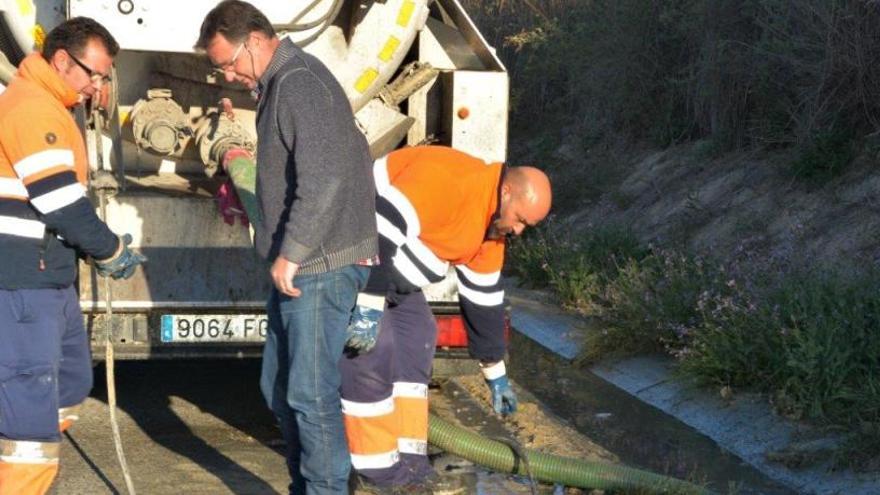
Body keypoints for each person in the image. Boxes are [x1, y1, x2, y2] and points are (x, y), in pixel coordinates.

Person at [196, 2, 378, 493]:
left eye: (228, 62)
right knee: (278, 388)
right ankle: (311, 485)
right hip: (305, 262)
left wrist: (291, 251)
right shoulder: (279, 85)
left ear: (255, 40)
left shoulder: (299, 83)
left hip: (319, 263)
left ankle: (324, 488)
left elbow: (325, 178)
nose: (227, 75)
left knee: (309, 395)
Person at [339, 145, 552, 493]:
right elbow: (377, 230)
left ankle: (409, 463)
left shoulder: (491, 227)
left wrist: (495, 375)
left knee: (420, 332)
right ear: (507, 191)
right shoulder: (452, 182)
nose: (518, 230)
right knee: (375, 347)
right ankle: (375, 471)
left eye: (528, 226)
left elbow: (483, 300)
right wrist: (368, 302)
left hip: (393, 282)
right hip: (355, 260)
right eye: (521, 219)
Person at [0, 17, 146, 495]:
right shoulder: (32, 108)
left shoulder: (55, 106)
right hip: (22, 283)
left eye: (104, 78)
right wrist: (111, 250)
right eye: (94, 74)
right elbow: (59, 201)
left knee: (69, 383)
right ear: (62, 61)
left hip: (48, 279)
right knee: (29, 421)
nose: (98, 87)